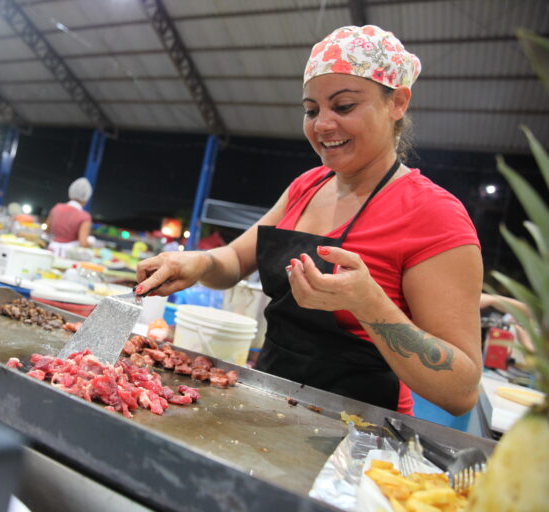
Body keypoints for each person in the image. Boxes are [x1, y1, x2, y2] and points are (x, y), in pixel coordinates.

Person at [136, 25, 483, 416]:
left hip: (357, 430)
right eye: (311, 110)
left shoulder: (434, 214)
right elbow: (233, 261)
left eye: (344, 106)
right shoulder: (308, 185)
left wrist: (369, 304)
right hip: (264, 404)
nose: (322, 125)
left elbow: (461, 391)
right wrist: (197, 263)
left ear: (397, 103)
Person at [45, 177, 93, 257]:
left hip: (51, 251)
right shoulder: (85, 216)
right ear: (87, 198)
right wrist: (91, 243)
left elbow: (47, 229)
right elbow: (83, 243)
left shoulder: (57, 207)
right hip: (69, 255)